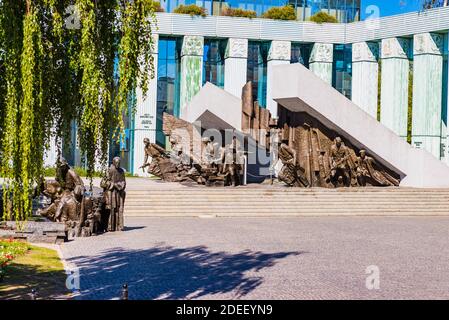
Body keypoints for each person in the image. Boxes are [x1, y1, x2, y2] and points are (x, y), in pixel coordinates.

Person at [101, 157, 126, 232]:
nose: (118, 164)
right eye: (116, 162)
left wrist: (120, 185)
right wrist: (113, 184)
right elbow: (103, 183)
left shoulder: (121, 171)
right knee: (111, 209)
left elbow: (123, 181)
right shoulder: (109, 170)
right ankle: (110, 227)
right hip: (111, 193)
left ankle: (119, 226)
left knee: (119, 209)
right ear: (113, 162)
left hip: (119, 193)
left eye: (119, 163)